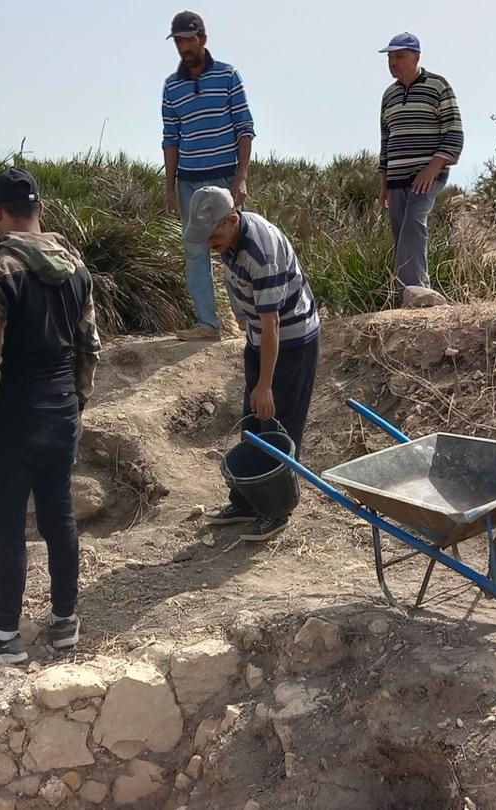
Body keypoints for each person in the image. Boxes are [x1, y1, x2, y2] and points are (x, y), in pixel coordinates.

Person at [0, 167, 102, 664]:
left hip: (12, 417)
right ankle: (64, 622)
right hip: (60, 410)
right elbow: (89, 346)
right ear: (40, 209)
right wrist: (78, 403)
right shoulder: (77, 269)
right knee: (59, 516)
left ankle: (6, 635)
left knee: (6, 525)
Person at [184, 186, 320, 543]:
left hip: (291, 341)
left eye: (213, 235)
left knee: (278, 425)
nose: (210, 244)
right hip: (261, 338)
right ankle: (244, 502)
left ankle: (277, 511)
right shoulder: (229, 240)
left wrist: (265, 384)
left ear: (232, 220)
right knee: (251, 422)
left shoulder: (262, 253)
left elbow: (274, 323)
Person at [161, 9, 255, 342]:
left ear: (202, 38)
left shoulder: (229, 76)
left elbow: (245, 129)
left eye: (189, 39)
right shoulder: (171, 87)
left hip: (225, 179)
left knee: (235, 248)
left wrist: (241, 177)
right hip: (188, 181)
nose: (184, 46)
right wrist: (170, 187)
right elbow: (171, 138)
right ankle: (208, 325)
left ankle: (248, 322)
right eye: (178, 41)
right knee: (195, 250)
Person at [377, 31, 463, 290]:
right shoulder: (388, 96)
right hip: (395, 177)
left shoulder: (438, 86)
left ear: (416, 56)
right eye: (390, 57)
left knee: (414, 224)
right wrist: (383, 184)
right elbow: (385, 142)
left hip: (427, 174)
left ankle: (415, 291)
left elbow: (454, 133)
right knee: (400, 232)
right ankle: (410, 292)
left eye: (400, 56)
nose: (393, 62)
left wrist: (432, 169)